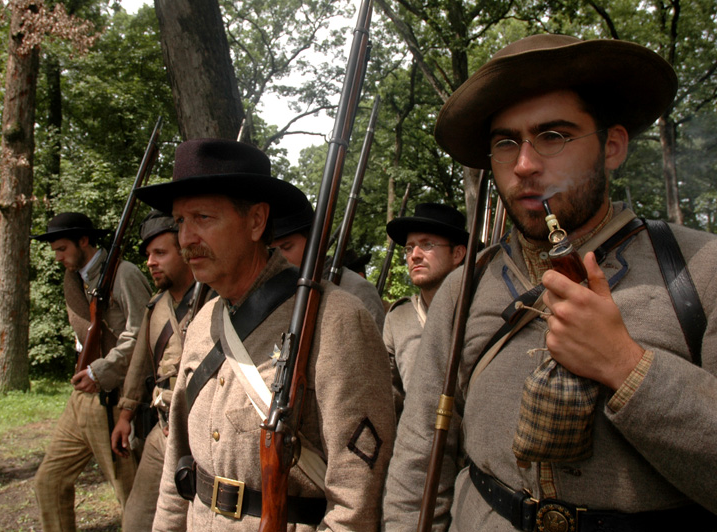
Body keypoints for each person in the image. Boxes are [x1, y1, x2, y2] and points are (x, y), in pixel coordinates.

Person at [382, 34, 717, 531]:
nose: (525, 165)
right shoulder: (464, 288)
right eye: (505, 143)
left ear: (613, 146)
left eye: (554, 136)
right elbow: (420, 456)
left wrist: (626, 367)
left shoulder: (703, 269)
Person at [134, 138, 396, 531]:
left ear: (256, 221)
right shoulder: (204, 319)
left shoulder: (335, 319)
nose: (186, 238)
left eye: (203, 218)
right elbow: (179, 465)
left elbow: (357, 498)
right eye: (180, 221)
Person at [30, 212, 151, 532]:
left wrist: (101, 371)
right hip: (81, 397)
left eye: (61, 249)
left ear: (84, 241)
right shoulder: (78, 279)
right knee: (49, 483)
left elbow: (142, 334)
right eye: (55, 250)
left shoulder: (123, 274)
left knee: (131, 497)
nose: (57, 257)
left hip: (112, 399)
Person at [110, 210, 199, 532]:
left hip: (198, 436)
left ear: (185, 254)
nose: (150, 262)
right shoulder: (156, 304)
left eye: (160, 253)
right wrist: (126, 415)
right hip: (161, 432)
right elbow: (140, 362)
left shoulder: (214, 300)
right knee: (136, 521)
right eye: (148, 255)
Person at [383, 202, 467, 417]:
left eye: (427, 244)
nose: (415, 255)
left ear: (457, 254)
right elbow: (389, 396)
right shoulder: (398, 317)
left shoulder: (480, 309)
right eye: (409, 248)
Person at [270, 190, 387, 332]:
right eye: (273, 251)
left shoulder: (357, 289)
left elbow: (371, 351)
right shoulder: (276, 290)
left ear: (313, 242)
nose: (279, 257)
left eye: (286, 247)